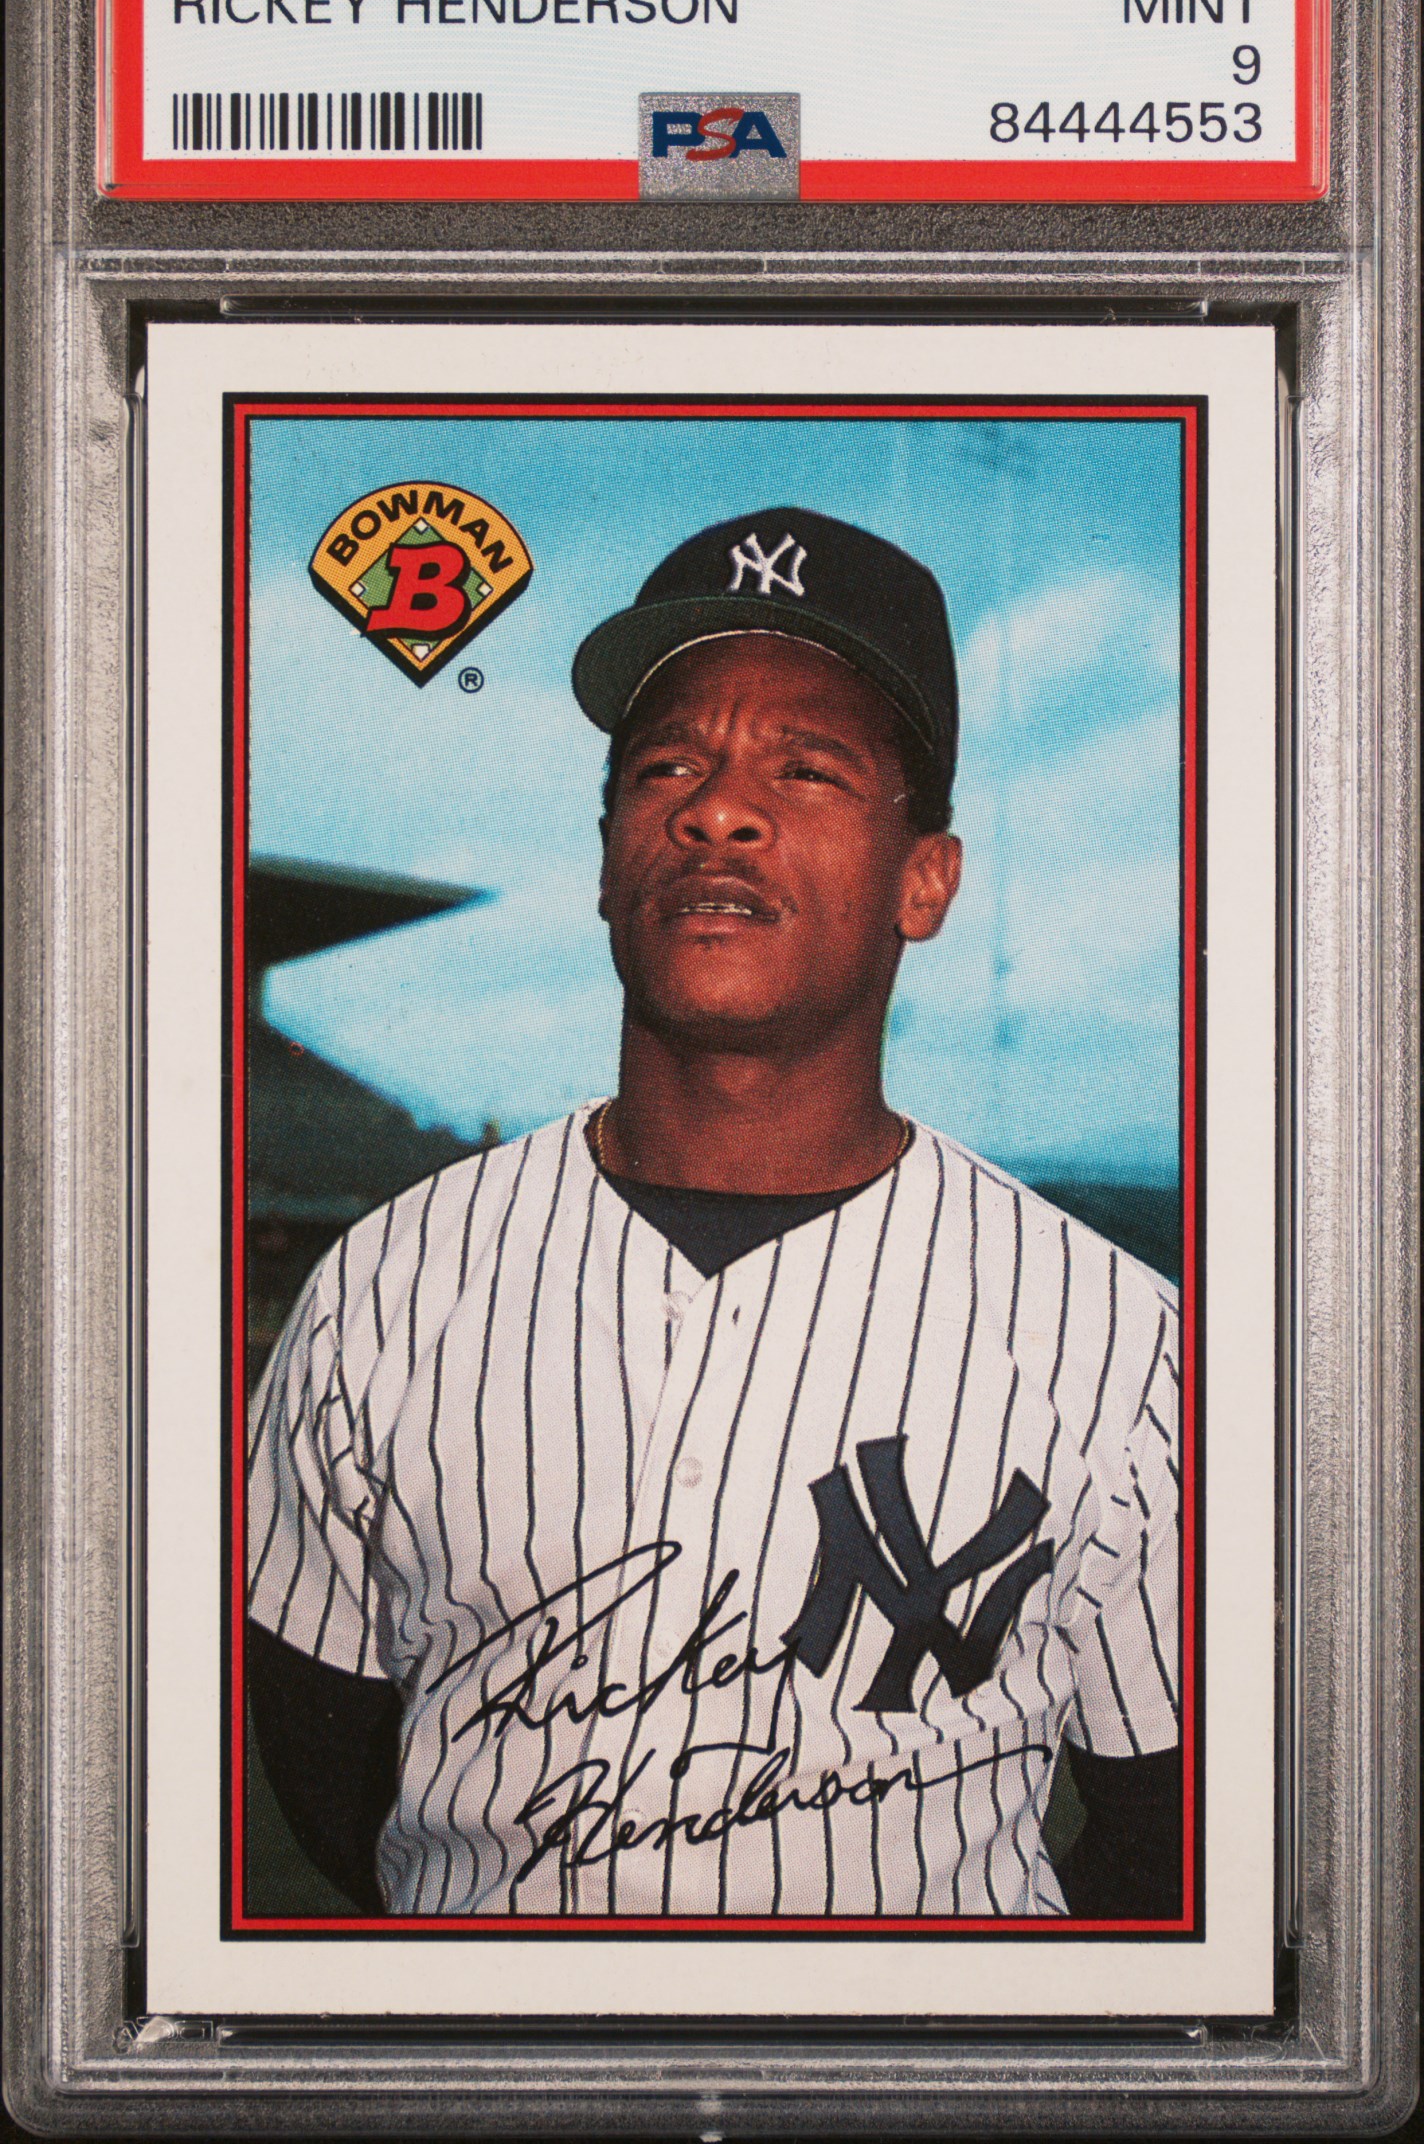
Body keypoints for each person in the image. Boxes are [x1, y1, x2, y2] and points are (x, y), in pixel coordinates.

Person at [247, 506, 1182, 1922]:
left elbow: (1166, 1844)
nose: (717, 811)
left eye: (806, 770)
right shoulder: (386, 1282)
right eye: (668, 766)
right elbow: (335, 1772)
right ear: (608, 858)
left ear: (925, 880)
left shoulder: (1118, 1340)